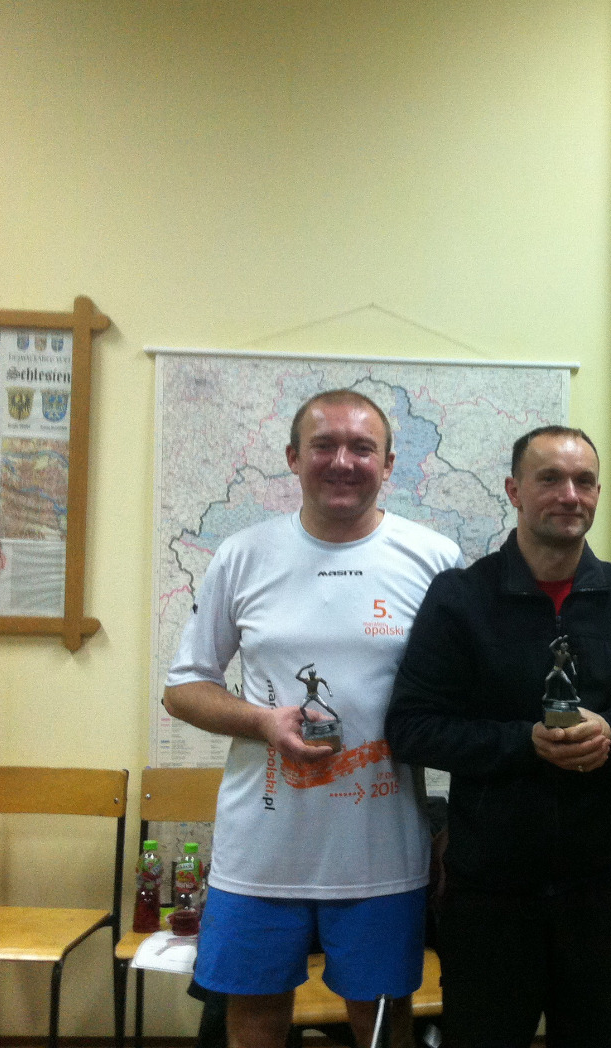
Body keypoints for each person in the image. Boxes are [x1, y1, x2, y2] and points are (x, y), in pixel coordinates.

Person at [164, 389, 463, 1048]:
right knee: (253, 1018)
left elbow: (463, 696)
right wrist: (263, 722)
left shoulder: (435, 559)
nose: (342, 461)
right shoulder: (243, 554)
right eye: (324, 445)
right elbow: (183, 688)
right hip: (261, 854)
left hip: (382, 853)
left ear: (388, 464)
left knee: (380, 1023)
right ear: (293, 457)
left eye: (362, 448)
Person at [385, 425, 611, 1048]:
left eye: (584, 481)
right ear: (514, 490)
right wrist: (525, 743)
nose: (570, 495)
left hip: (598, 886)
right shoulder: (461, 598)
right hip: (489, 890)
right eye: (550, 479)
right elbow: (411, 728)